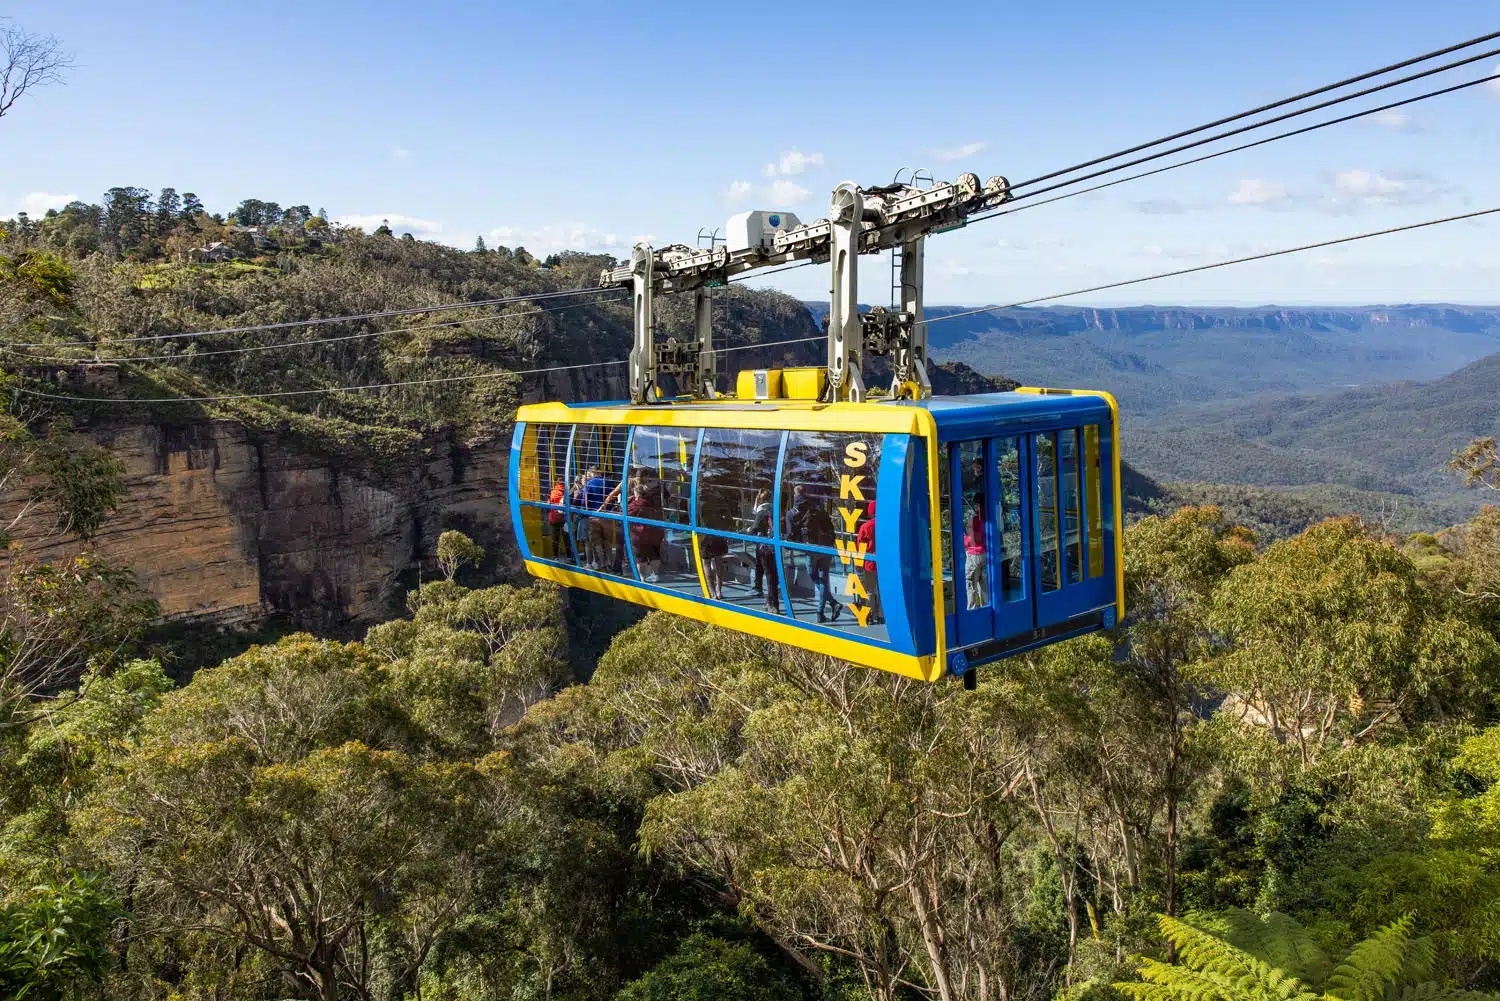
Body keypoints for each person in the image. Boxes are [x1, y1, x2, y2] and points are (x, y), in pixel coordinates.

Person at [786, 484, 843, 623]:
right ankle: (824, 610)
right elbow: (829, 526)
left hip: (810, 550)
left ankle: (830, 605)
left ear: (795, 496)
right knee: (823, 579)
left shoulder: (791, 513)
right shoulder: (817, 508)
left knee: (814, 576)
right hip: (825, 548)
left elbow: (790, 535)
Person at [627, 475, 665, 581]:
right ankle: (656, 574)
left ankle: (642, 577)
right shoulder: (653, 502)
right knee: (654, 554)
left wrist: (623, 503)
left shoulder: (636, 504)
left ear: (637, 493)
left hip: (640, 534)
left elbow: (624, 514)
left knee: (640, 557)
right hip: (655, 533)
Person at [749, 489, 780, 614]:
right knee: (771, 574)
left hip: (764, 546)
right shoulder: (774, 509)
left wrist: (746, 531)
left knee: (770, 575)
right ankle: (769, 601)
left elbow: (755, 528)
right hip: (773, 545)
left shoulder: (762, 511)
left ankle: (773, 604)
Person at [855, 499, 880, 625]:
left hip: (870, 564)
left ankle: (871, 614)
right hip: (884, 563)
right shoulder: (886, 525)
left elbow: (860, 545)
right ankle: (881, 615)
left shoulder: (866, 527)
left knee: (870, 590)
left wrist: (859, 563)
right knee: (881, 590)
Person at [965, 508, 988, 608]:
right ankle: (986, 607)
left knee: (971, 584)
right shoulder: (989, 519)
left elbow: (968, 541)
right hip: (986, 555)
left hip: (974, 555)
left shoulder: (974, 520)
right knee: (983, 585)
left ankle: (971, 610)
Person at [547, 480, 567, 559]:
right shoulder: (566, 492)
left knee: (555, 538)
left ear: (556, 483)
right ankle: (569, 555)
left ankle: (555, 556)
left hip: (554, 518)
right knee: (566, 537)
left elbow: (548, 504)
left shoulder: (553, 492)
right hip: (564, 518)